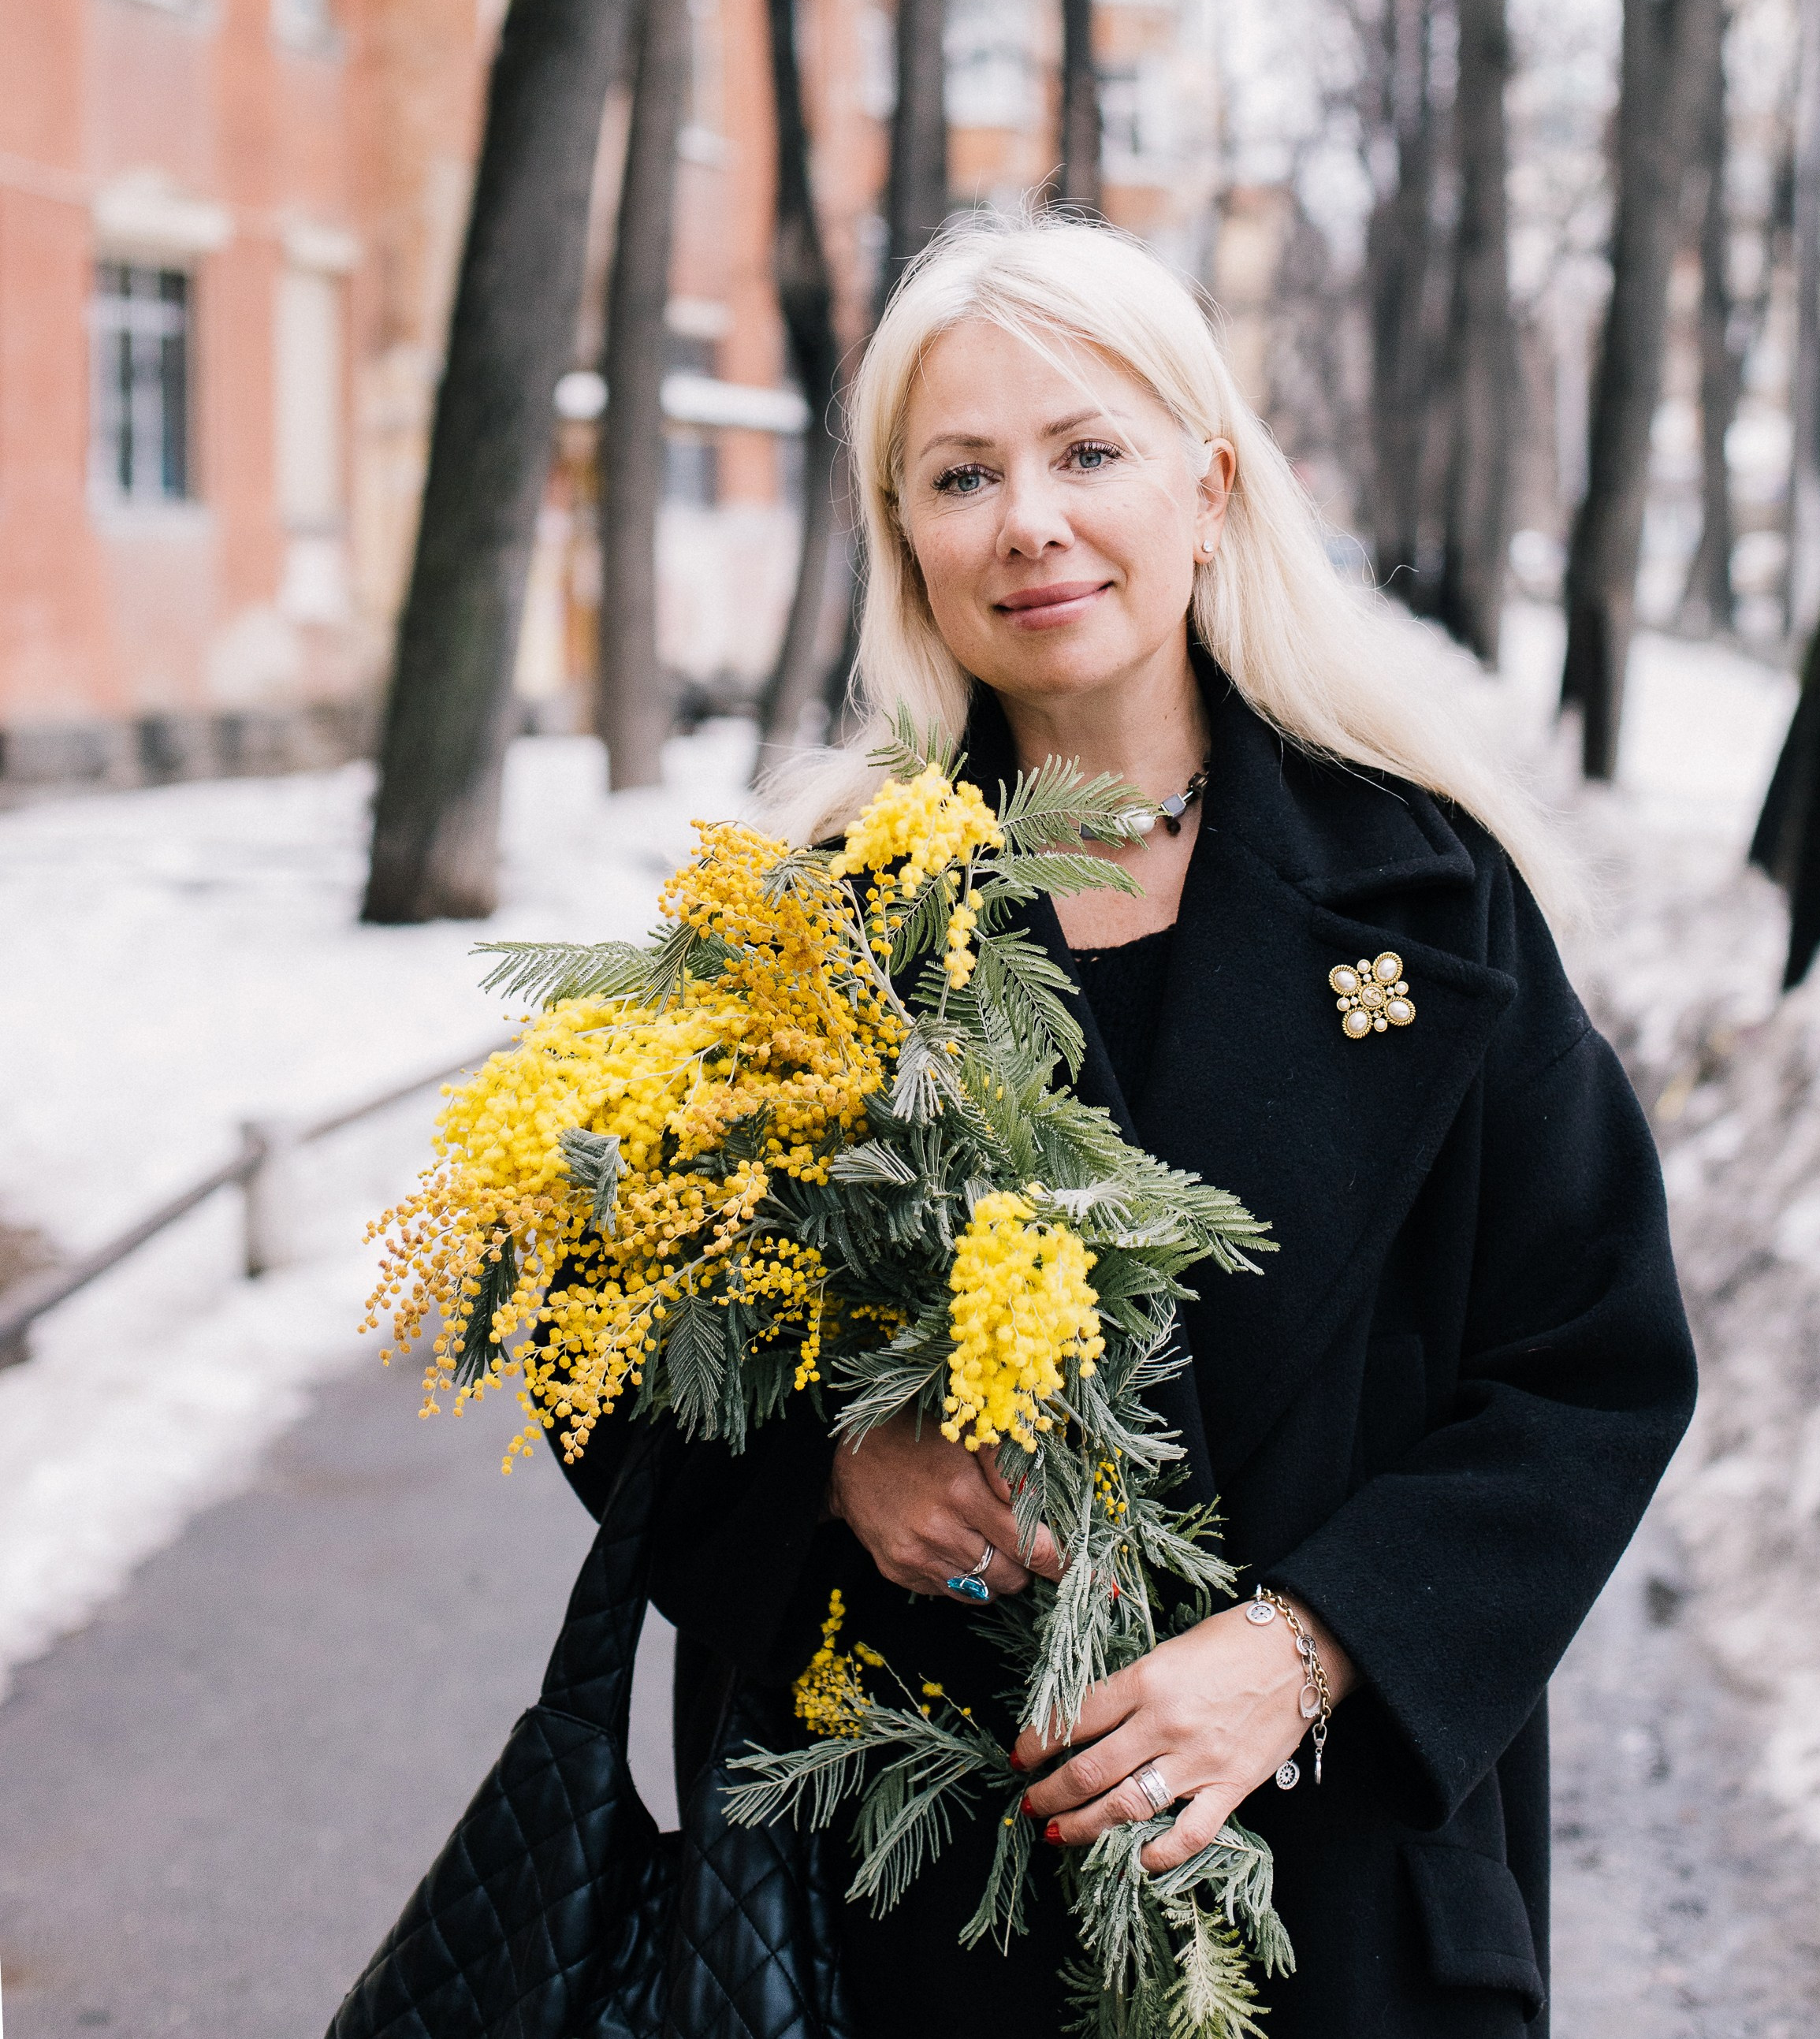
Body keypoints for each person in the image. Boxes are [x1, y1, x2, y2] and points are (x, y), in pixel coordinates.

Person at [556, 214, 1695, 2039]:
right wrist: (831, 1469)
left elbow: (1590, 1359)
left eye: (1088, 450)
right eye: (961, 473)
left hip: (1332, 1909)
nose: (1030, 520)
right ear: (902, 535)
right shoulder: (808, 928)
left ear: (1209, 486)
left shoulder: (1426, 894)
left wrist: (1311, 1646)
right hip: (898, 1915)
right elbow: (593, 1335)